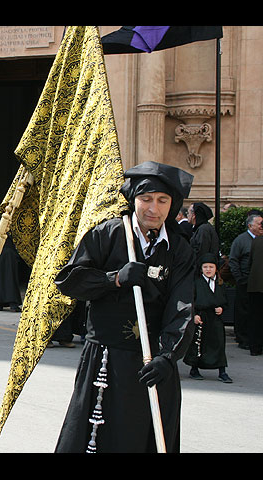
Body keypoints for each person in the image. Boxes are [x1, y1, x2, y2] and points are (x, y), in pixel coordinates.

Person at [53, 161, 195, 453]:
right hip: (106, 356)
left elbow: (182, 307)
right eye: (145, 199)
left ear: (172, 205)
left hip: (152, 360)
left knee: (148, 436)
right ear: (134, 200)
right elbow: (69, 281)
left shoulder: (179, 249)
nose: (153, 208)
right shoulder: (108, 233)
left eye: (162, 200)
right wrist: (114, 278)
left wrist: (168, 357)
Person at [183, 253, 232, 382]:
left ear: (216, 268)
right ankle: (194, 369)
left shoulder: (220, 284)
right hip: (201, 317)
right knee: (198, 344)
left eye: (211, 267)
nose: (208, 269)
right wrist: (194, 315)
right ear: (201, 269)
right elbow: (191, 301)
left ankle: (222, 371)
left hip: (216, 319)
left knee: (219, 344)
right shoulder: (196, 283)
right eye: (205, 267)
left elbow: (225, 301)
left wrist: (222, 308)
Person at [229, 212, 263, 350]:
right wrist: (240, 279)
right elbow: (233, 260)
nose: (261, 226)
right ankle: (243, 339)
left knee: (255, 313)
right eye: (259, 223)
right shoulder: (241, 240)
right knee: (243, 311)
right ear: (250, 225)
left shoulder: (259, 240)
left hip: (256, 283)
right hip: (245, 282)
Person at [188, 202, 219, 269]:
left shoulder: (204, 229)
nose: (187, 215)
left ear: (194, 215)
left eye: (188, 213)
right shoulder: (201, 228)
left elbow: (202, 251)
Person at [247, 234, 263, 356]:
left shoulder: (256, 241)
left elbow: (250, 261)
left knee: (255, 317)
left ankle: (255, 347)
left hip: (255, 284)